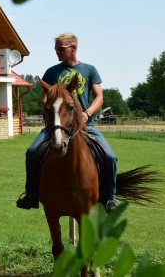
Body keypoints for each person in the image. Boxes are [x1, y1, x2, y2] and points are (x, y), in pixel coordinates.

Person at [16, 33, 118, 212]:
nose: (57, 52)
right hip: (57, 125)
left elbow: (99, 97)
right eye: (56, 49)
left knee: (110, 156)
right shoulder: (52, 72)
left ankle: (109, 199)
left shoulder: (89, 69)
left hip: (85, 126)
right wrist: (54, 110)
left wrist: (87, 113)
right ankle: (31, 195)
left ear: (74, 48)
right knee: (31, 152)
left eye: (61, 49)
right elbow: (44, 98)